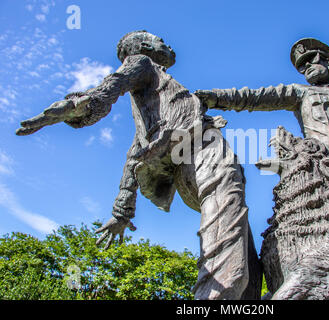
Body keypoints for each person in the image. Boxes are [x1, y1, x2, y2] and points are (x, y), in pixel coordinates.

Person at [16, 30, 261, 300]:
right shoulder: (143, 62)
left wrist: (122, 210)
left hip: (188, 160)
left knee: (243, 247)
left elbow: (136, 151)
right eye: (159, 39)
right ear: (144, 46)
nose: (166, 43)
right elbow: (112, 86)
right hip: (198, 149)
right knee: (230, 251)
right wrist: (80, 106)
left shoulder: (154, 105)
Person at [195, 37, 329, 258]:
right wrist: (214, 98)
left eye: (311, 61)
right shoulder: (301, 93)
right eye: (302, 66)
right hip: (325, 181)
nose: (306, 67)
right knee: (326, 252)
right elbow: (254, 98)